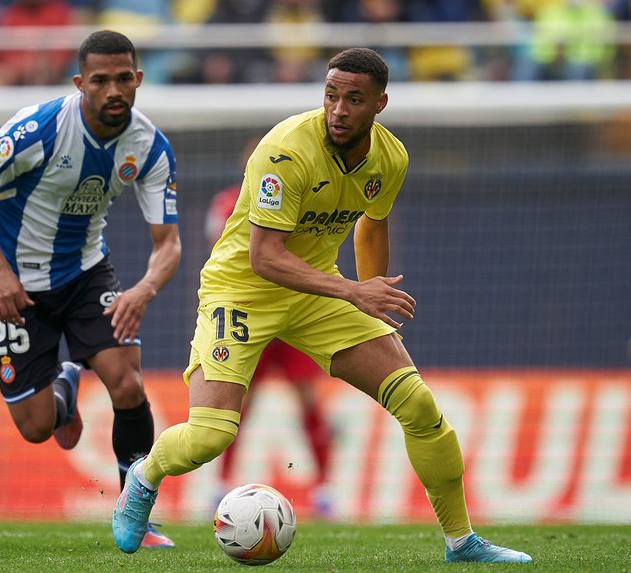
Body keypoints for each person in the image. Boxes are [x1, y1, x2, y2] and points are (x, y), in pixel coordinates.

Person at [111, 47, 533, 563]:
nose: (338, 109)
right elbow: (264, 257)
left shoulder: (390, 157)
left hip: (317, 294)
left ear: (380, 102)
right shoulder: (285, 150)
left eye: (353, 99)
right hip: (242, 292)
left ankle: (461, 541)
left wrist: (372, 292)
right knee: (210, 436)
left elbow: (371, 223)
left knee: (418, 405)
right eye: (331, 95)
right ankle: (144, 474)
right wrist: (356, 291)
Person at [0, 29, 180, 549]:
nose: (114, 90)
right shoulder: (41, 128)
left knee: (127, 382)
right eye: (100, 80)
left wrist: (142, 289)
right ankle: (65, 386)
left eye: (124, 78)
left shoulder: (148, 146)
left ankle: (135, 511)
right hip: (15, 284)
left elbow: (168, 244)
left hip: (85, 274)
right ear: (80, 83)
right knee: (35, 428)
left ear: (138, 79)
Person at [206, 136, 335, 518]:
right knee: (236, 408)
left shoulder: (299, 201)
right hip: (249, 319)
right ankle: (220, 485)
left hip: (293, 318)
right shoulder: (226, 204)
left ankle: (325, 489)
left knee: (309, 402)